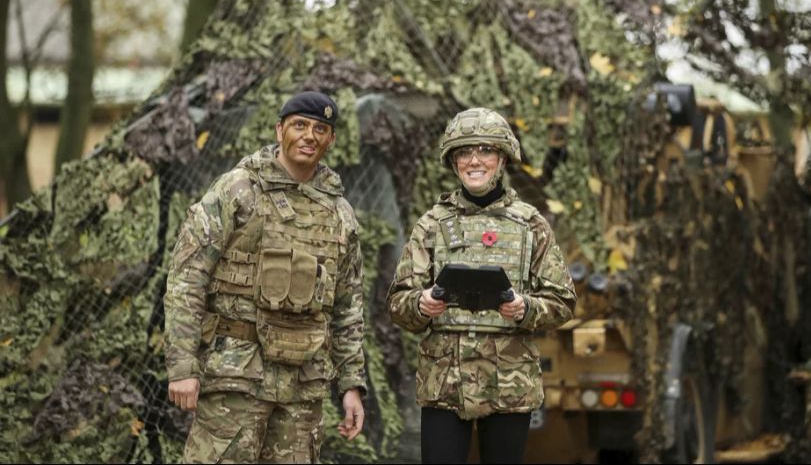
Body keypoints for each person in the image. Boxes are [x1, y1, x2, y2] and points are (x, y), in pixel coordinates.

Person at [165, 91, 367, 463]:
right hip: (236, 376)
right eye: (299, 126)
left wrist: (351, 386)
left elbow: (347, 307)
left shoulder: (340, 213)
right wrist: (182, 366)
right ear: (279, 130)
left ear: (332, 139)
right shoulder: (237, 190)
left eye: (320, 128)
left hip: (303, 386)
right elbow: (186, 278)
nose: (309, 135)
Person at [387, 107, 576, 464]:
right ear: (453, 161)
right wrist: (421, 304)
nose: (474, 160)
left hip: (509, 382)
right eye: (464, 152)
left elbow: (563, 300)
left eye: (485, 150)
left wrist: (526, 308)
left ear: (502, 158)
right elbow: (398, 302)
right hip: (444, 381)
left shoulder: (531, 225)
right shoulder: (432, 224)